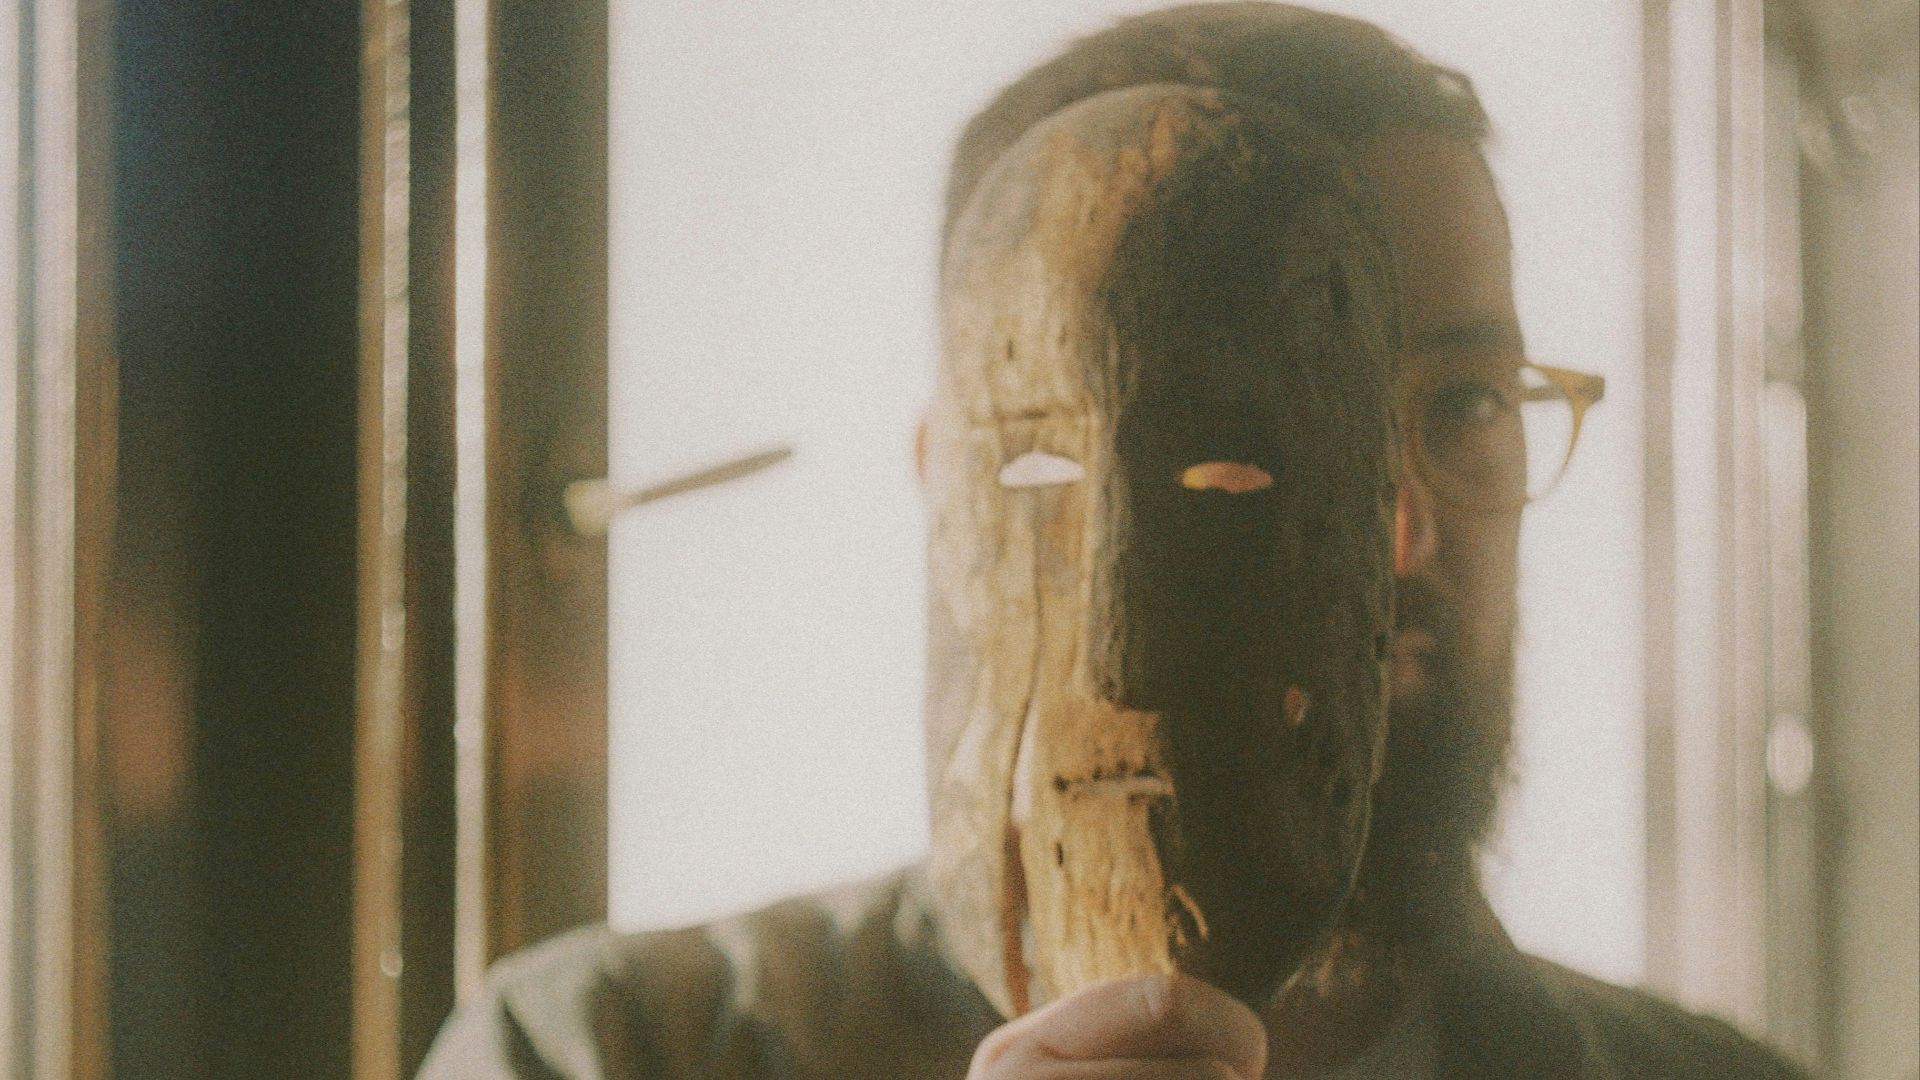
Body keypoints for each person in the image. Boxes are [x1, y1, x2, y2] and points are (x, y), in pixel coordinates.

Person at [419, 5, 1810, 1078]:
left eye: (1463, 404)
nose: (1400, 526)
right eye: (1244, 444)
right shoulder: (606, 1054)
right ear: (976, 499)